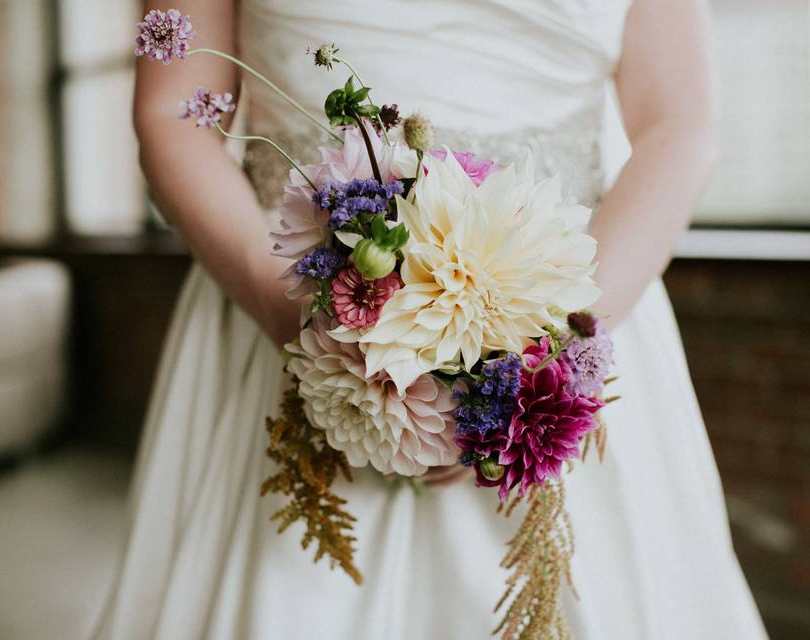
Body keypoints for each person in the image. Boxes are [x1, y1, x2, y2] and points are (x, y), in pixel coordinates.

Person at [93, 0, 769, 637]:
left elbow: (679, 127)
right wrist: (302, 325)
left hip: (575, 300)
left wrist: (543, 356)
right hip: (280, 294)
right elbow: (170, 111)